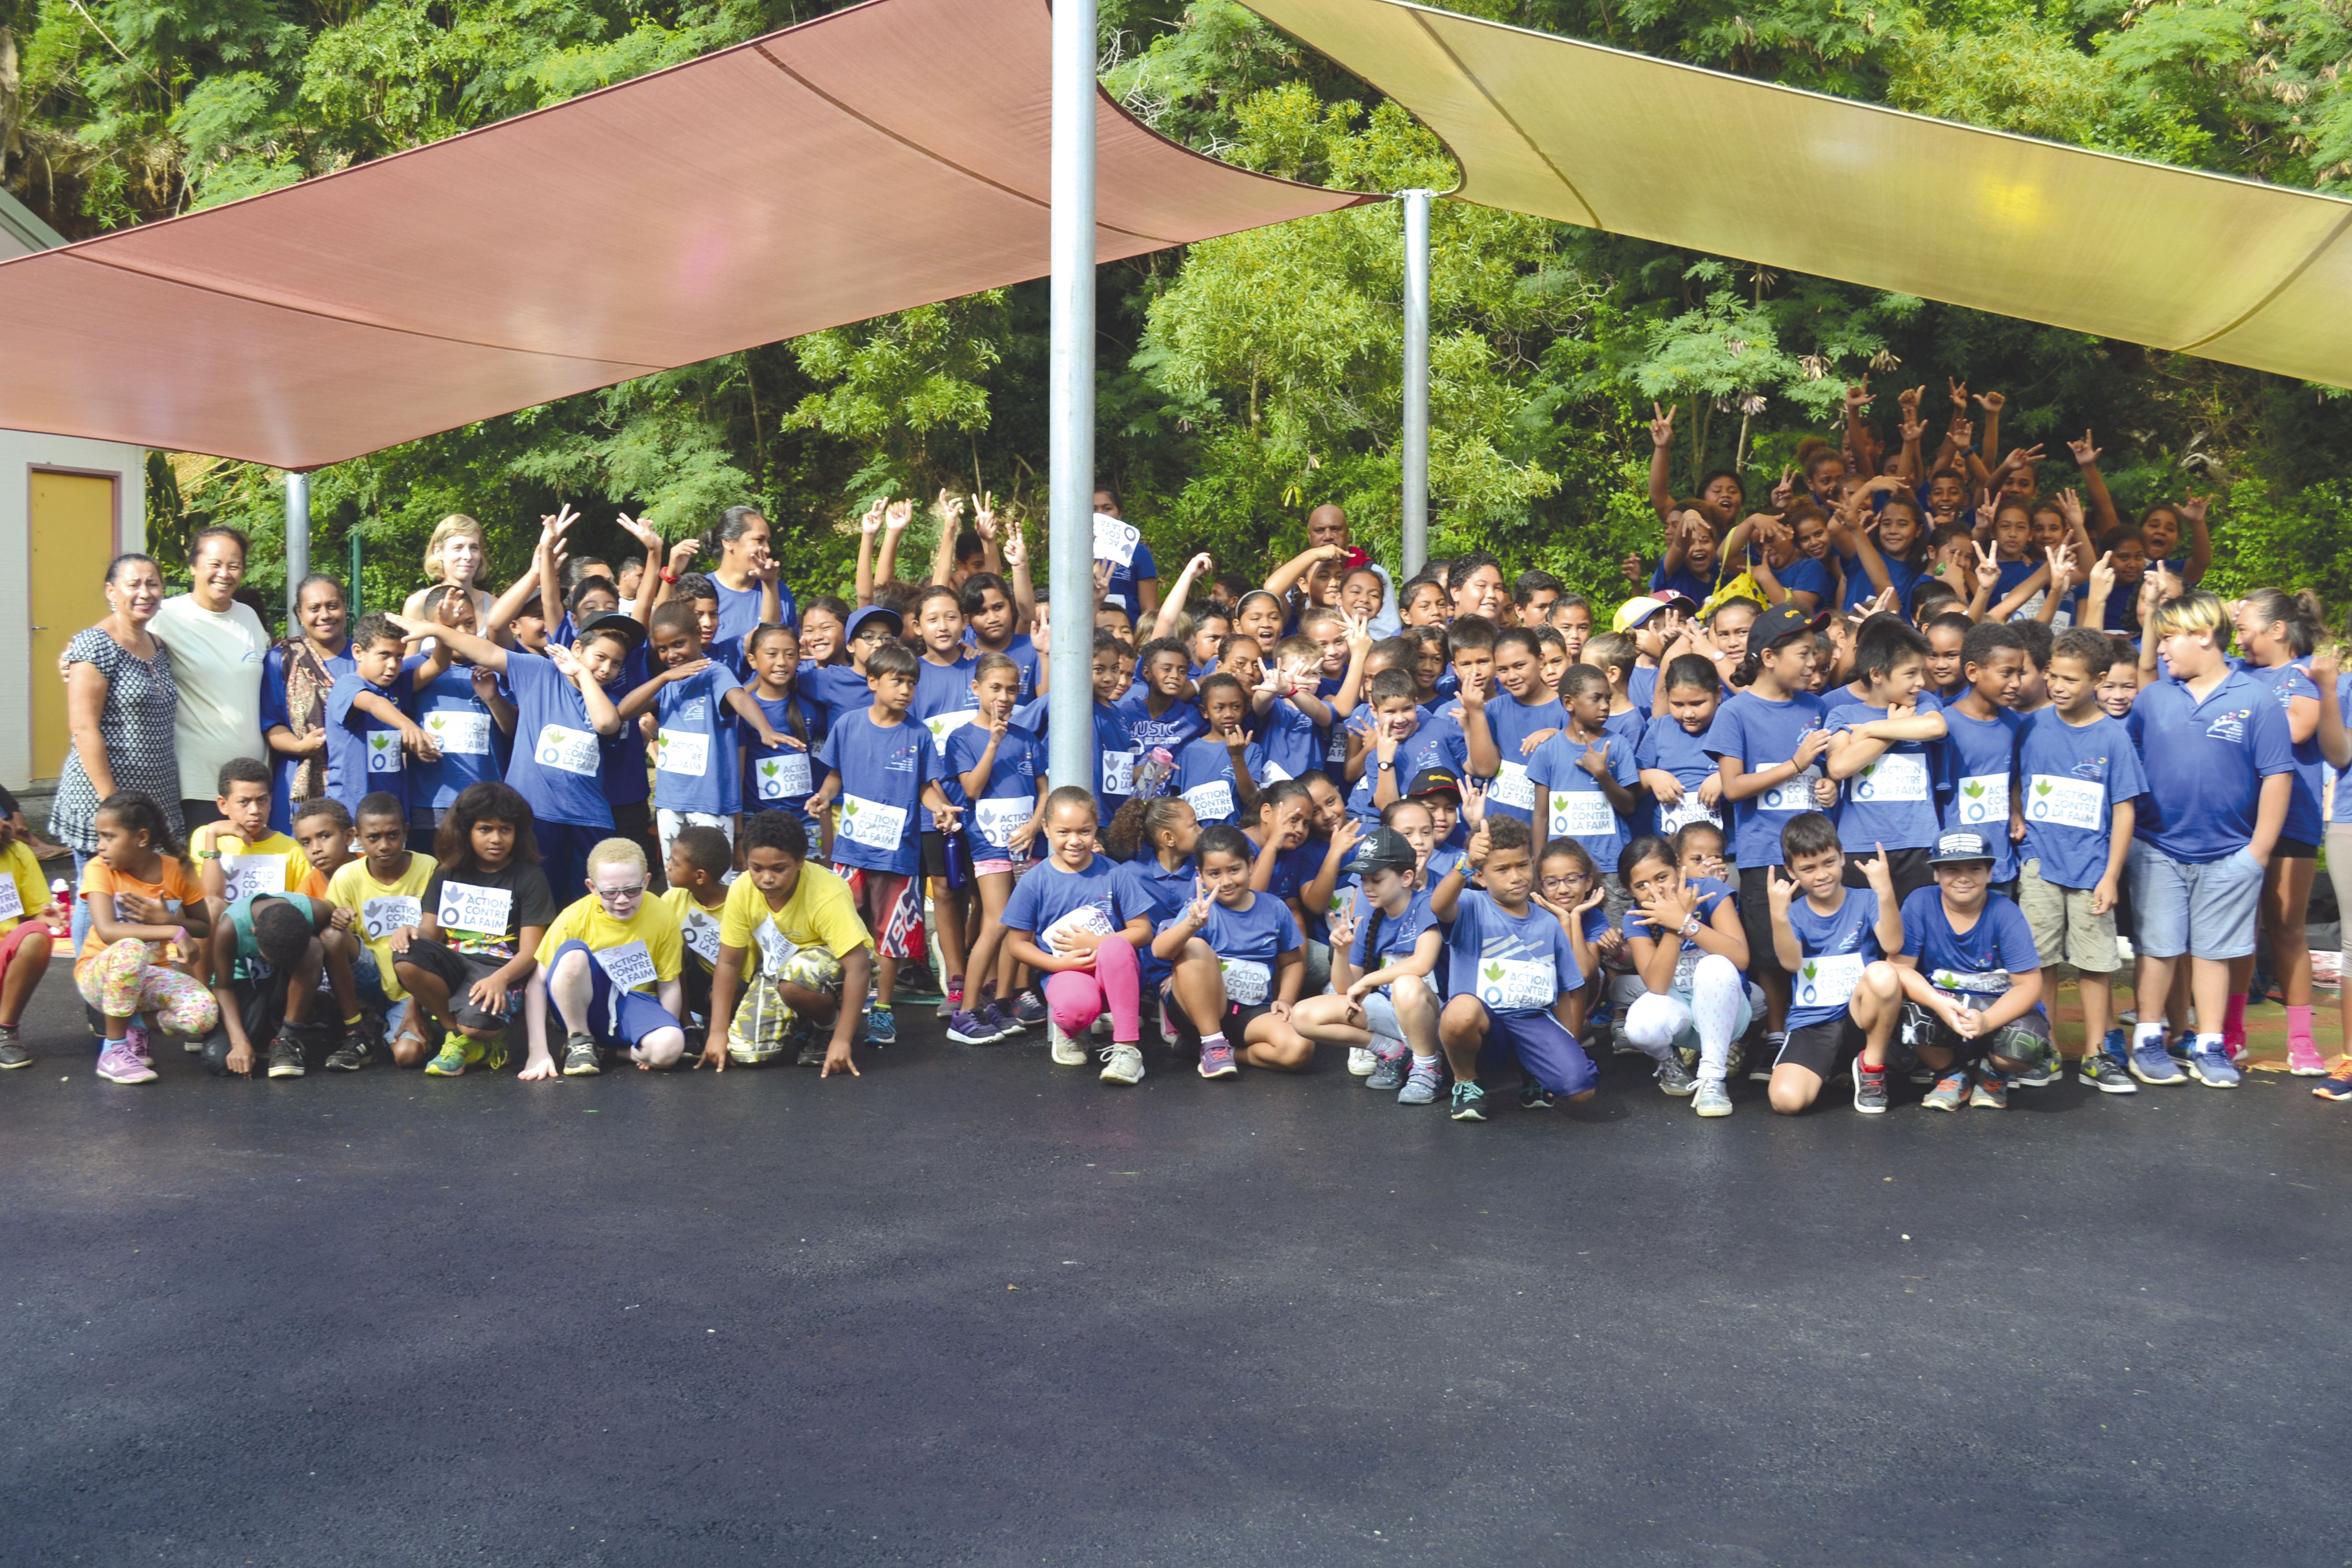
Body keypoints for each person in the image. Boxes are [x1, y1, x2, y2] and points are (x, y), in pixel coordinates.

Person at [2123, 589, 2292, 1090]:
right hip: (2156, 848)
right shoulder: (2152, 698)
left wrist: (2257, 852)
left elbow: (2277, 777)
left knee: (2216, 953)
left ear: (2203, 636)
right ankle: (2148, 1040)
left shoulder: (2257, 698)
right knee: (2157, 948)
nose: (2162, 650)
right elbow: (2127, 772)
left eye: (2170, 638)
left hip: (2230, 855)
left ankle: (2210, 1045)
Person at [379, 599, 626, 903]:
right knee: (536, 902)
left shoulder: (609, 698)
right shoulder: (539, 671)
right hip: (538, 815)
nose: (606, 668)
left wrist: (583, 674)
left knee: (589, 905)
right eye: (600, 658)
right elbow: (488, 651)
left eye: (616, 664)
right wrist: (435, 630)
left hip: (590, 819)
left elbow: (604, 723)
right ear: (576, 649)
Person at [806, 640, 958, 1047]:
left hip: (899, 857)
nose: (906, 690)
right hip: (851, 852)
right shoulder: (849, 725)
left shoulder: (919, 734)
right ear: (872, 682)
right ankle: (832, 1002)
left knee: (890, 935)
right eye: (897, 681)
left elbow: (927, 787)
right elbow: (835, 775)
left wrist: (940, 808)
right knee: (840, 928)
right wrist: (823, 797)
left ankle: (884, 1010)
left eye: (912, 682)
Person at [2016, 626, 2146, 1092]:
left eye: (2071, 680)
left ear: (2099, 680)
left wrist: (2112, 875)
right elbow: (2016, 777)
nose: (2058, 686)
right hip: (2040, 868)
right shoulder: (2031, 725)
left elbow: (2124, 808)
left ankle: (2097, 1054)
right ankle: (2045, 1049)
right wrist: (2016, 814)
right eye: (2054, 676)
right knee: (2041, 961)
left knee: (2096, 964)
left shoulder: (2113, 737)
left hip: (2093, 871)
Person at [1706, 602, 1833, 1063]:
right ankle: (1778, 1032)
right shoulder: (1736, 712)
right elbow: (1734, 787)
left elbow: (1826, 769)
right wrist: (1795, 764)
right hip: (1764, 851)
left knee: (1815, 940)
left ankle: (1814, 1025)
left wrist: (1827, 784)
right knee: (1769, 949)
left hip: (1817, 852)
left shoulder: (1818, 706)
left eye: (1815, 651)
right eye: (1802, 652)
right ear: (1769, 657)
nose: (1813, 661)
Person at [53, 553, 181, 954]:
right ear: (111, 592)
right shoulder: (95, 643)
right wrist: (113, 805)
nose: (145, 593)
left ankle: (130, 995)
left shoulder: (158, 645)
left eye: (153, 584)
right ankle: (95, 1000)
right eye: (134, 584)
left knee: (136, 900)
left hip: (150, 805)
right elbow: (84, 727)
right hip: (105, 800)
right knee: (100, 901)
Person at [1431, 816, 1595, 1122]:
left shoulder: (1549, 922)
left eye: (1522, 865)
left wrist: (1566, 1044)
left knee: (1580, 1089)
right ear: (1481, 876)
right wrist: (1465, 864)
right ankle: (1466, 1083)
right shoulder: (1470, 905)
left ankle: (1533, 1073)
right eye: (1502, 870)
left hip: (1533, 1022)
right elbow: (1439, 906)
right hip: (1487, 1026)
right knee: (1460, 1010)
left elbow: (1564, 989)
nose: (1516, 877)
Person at [396, 782, 558, 1078]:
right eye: (485, 829)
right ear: (466, 832)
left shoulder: (530, 878)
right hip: (455, 964)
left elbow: (532, 951)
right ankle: (456, 1036)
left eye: (505, 829)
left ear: (516, 832)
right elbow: (430, 937)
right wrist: (408, 932)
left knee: (474, 1024)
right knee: (407, 955)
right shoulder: (446, 873)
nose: (496, 839)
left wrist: (500, 978)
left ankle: (477, 1037)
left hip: (500, 970)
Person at [2233, 588, 2326, 1075]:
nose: (2239, 637)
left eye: (2246, 626)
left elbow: (2297, 730)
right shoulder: (2233, 670)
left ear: (2278, 630)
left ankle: (2302, 1040)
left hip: (2293, 821)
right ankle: (2231, 1032)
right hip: (2236, 822)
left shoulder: (2305, 673)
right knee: (2237, 931)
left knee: (2286, 928)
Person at [1000, 787, 1153, 1083]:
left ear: (1096, 827)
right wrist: (1059, 965)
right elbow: (1016, 944)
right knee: (1074, 1009)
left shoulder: (1115, 874)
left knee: (1116, 948)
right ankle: (1071, 1031)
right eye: (1063, 832)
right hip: (1066, 972)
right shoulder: (1035, 881)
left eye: (1084, 831)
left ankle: (1127, 1050)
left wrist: (1098, 943)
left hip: (1119, 976)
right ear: (1045, 828)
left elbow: (1144, 931)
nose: (1074, 841)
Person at [1894, 829, 2054, 1111]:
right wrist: (1940, 1004)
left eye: (1975, 869)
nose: (1964, 877)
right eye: (1951, 869)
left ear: (1990, 874)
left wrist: (1988, 1022)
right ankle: (1951, 1075)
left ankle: (1994, 1073)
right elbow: (1899, 969)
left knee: (2026, 1046)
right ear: (1936, 874)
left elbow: (2029, 985)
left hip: (1996, 1011)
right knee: (1905, 1012)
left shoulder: (2006, 912)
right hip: (1945, 1005)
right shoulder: (1919, 903)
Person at [703, 811, 872, 1073]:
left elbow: (859, 967)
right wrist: (717, 1032)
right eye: (756, 868)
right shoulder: (742, 890)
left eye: (779, 869)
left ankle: (827, 1027)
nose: (766, 878)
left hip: (834, 966)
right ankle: (804, 1020)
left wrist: (842, 1040)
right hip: (778, 969)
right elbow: (728, 962)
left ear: (800, 861)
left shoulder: (827, 893)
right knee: (745, 1052)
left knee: (797, 976)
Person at [620, 600, 788, 863]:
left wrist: (764, 729)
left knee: (714, 880)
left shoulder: (715, 673)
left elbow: (739, 698)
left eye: (678, 644)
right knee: (677, 880)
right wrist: (663, 678)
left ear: (698, 636)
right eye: (662, 649)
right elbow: (624, 712)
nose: (671, 655)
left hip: (710, 801)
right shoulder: (668, 681)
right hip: (670, 801)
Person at [1289, 826, 1445, 1100]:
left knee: (1406, 985)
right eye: (1364, 880)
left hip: (1434, 1016)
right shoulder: (1371, 921)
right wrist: (1342, 952)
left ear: (1407, 877)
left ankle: (1427, 1066)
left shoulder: (1426, 905)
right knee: (1302, 1015)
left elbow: (1422, 964)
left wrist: (1368, 981)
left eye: (1376, 879)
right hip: (1392, 1014)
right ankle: (1391, 1050)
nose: (1367, 888)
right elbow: (1345, 989)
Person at [74, 792, 218, 1086]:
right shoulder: (99, 869)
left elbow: (203, 926)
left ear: (141, 838)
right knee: (131, 950)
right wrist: (172, 931)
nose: (100, 846)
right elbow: (108, 931)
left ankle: (136, 1024)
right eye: (99, 837)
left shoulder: (178, 870)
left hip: (152, 975)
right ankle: (113, 1050)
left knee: (203, 1014)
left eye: (109, 837)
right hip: (99, 976)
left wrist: (170, 919)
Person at [1765, 813, 1904, 1114]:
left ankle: (1871, 1068)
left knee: (1883, 973)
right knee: (1786, 1101)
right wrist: (1778, 916)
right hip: (1813, 1024)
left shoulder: (1866, 900)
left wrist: (1885, 891)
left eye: (1828, 862)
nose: (1821, 875)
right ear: (1791, 871)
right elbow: (1791, 963)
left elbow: (1893, 945)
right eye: (1808, 868)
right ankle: (1834, 1069)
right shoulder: (1794, 913)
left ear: (1842, 856)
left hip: (1859, 1017)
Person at [944, 653, 1047, 1044]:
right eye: (995, 688)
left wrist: (1036, 824)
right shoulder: (963, 738)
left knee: (1020, 923)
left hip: (1027, 844)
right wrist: (993, 743)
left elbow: (1043, 791)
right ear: (977, 689)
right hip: (988, 844)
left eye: (1011, 689)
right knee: (997, 921)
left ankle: (1000, 1003)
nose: (1004, 697)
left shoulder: (1027, 739)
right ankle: (966, 1011)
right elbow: (971, 788)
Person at [1153, 824, 1311, 1077]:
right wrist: (1190, 927)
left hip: (1249, 1011)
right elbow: (1160, 951)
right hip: (1196, 1011)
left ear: (1251, 864)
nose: (1226, 882)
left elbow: (1293, 962)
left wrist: (1286, 1000)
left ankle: (1215, 1052)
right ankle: (1212, 1042)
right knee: (1194, 945)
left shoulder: (1275, 908)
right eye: (1214, 873)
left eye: (1234, 870)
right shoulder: (1200, 910)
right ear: (1200, 875)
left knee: (1299, 1048)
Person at [528, 837, 689, 1076]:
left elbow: (669, 983)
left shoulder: (663, 915)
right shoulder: (574, 917)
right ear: (593, 887)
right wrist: (538, 1051)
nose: (622, 900)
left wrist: (663, 1027)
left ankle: (608, 1052)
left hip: (636, 1002)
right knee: (573, 953)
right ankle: (579, 1040)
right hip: (586, 1005)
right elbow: (537, 983)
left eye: (632, 890)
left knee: (670, 1047)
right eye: (611, 893)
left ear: (646, 882)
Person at [1614, 834, 1750, 1116]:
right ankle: (1668, 1062)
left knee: (1715, 965)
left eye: (1662, 877)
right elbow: (1657, 985)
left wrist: (1687, 923)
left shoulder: (1709, 890)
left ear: (1678, 866)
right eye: (1642, 886)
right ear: (1630, 890)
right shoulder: (1635, 917)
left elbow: (1740, 958)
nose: (1655, 891)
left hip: (1728, 1015)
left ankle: (1713, 1078)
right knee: (1640, 1025)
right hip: (1681, 1019)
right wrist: (1672, 929)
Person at [150, 526, 270, 830]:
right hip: (199, 782)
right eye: (215, 564)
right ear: (193, 566)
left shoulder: (248, 617)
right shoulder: (166, 614)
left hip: (254, 784)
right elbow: (120, 630)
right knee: (207, 871)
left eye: (234, 565)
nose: (224, 574)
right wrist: (77, 650)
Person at [1823, 619, 1946, 902]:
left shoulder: (1924, 704)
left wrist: (1869, 730)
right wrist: (1893, 733)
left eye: (1922, 672)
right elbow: (1839, 766)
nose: (1920, 682)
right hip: (1860, 846)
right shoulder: (1843, 714)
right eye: (1911, 673)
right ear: (1877, 674)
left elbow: (1935, 728)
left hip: (1919, 843)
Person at [201, 889, 368, 1078]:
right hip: (246, 985)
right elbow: (223, 987)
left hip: (288, 981)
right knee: (219, 1060)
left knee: (313, 948)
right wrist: (239, 1042)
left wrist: (340, 914)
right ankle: (266, 1031)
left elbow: (333, 913)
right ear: (255, 934)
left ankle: (288, 1037)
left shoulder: (316, 910)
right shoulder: (230, 928)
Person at [326, 792, 438, 1065]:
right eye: (373, 838)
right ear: (356, 837)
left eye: (393, 835)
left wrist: (416, 1004)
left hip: (413, 984)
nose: (384, 846)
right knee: (331, 936)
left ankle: (400, 1020)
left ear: (406, 832)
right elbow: (334, 937)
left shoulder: (428, 867)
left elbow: (437, 939)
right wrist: (336, 918)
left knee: (407, 1056)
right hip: (370, 977)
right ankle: (356, 1026)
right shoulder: (347, 876)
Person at [325, 612, 440, 827]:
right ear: (358, 652)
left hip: (394, 818)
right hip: (353, 817)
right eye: (384, 655)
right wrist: (408, 725)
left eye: (399, 656)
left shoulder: (397, 687)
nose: (392, 665)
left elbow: (438, 665)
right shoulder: (347, 685)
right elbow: (374, 704)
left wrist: (439, 631)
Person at [260, 574, 354, 835]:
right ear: (300, 614)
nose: (325, 615)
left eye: (332, 606)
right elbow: (272, 724)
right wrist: (301, 745)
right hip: (298, 780)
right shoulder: (281, 660)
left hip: (354, 778)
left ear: (345, 608)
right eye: (314, 608)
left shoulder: (366, 657)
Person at [0, 790, 67, 1069]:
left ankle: (5, 1032)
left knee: (36, 935)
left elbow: (34, 913)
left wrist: (47, 916)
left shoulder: (16, 851)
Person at [659, 824, 733, 1045]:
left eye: (675, 862)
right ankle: (687, 1023)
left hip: (731, 985)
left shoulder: (738, 904)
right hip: (689, 984)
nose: (668, 865)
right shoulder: (673, 899)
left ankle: (728, 1025)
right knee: (671, 940)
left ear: (700, 876)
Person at [401, 514, 499, 628]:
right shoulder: (418, 604)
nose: (468, 556)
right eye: (458, 548)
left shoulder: (493, 605)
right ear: (438, 551)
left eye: (474, 548)